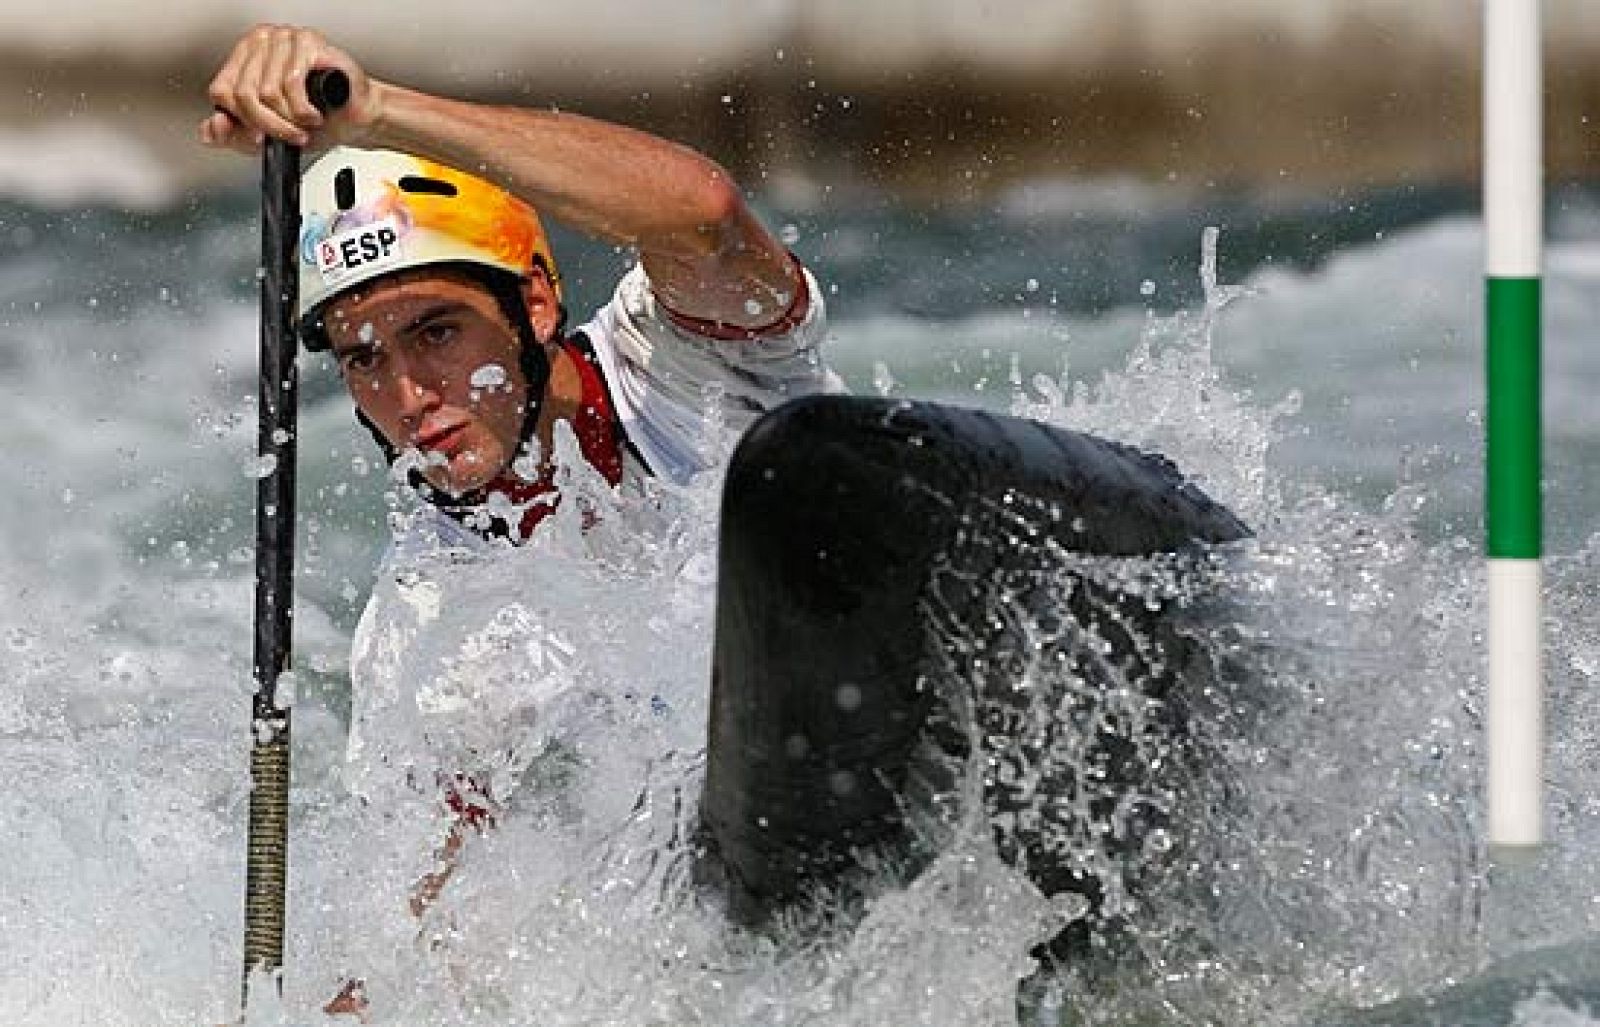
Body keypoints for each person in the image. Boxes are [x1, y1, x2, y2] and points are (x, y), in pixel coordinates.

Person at [201, 23, 843, 1019]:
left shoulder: (675, 358)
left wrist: (376, 114)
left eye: (437, 330)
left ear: (536, 301)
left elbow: (704, 212)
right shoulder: (426, 619)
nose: (410, 392)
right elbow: (435, 913)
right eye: (364, 358)